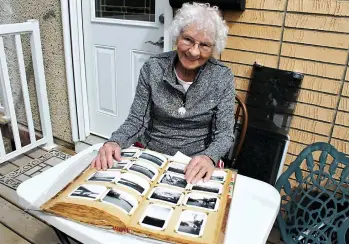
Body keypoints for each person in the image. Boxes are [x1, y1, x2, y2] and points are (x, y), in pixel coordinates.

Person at [91, 2, 235, 184]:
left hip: (199, 161)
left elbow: (224, 134)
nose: (193, 51)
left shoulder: (222, 77)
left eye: (204, 45)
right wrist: (115, 141)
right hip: (153, 155)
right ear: (177, 36)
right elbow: (137, 120)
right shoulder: (153, 68)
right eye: (188, 39)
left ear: (213, 48)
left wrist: (209, 157)